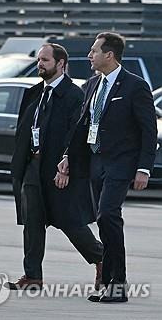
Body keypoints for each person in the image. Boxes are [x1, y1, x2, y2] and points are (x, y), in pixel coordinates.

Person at [58, 32, 157, 303]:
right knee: (103, 220)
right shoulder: (91, 85)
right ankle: (108, 280)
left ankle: (118, 283)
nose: (90, 56)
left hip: (121, 161)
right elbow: (82, 126)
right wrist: (68, 156)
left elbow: (149, 130)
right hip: (95, 160)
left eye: (94, 51)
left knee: (108, 215)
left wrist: (144, 168)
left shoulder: (135, 86)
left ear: (109, 55)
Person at [7, 43, 104, 291]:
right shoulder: (34, 93)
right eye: (39, 60)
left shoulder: (74, 95)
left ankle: (103, 260)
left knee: (69, 221)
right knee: (33, 223)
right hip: (33, 167)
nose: (40, 64)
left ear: (61, 64)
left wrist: (67, 164)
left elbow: (77, 133)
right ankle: (32, 277)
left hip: (59, 169)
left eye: (45, 60)